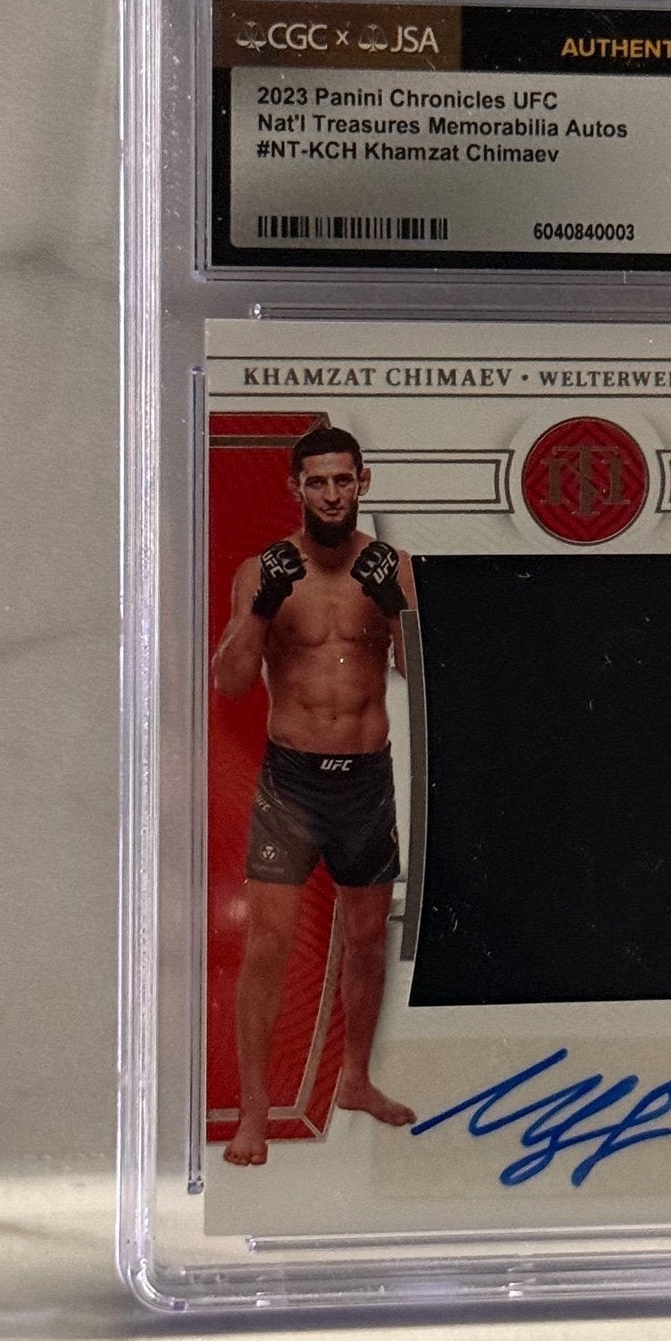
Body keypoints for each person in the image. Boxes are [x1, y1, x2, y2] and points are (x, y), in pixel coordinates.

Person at [212, 423, 417, 1166]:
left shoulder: (393, 567)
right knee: (269, 943)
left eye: (342, 480)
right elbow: (231, 682)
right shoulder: (262, 570)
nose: (331, 494)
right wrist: (262, 607)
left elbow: (421, 674)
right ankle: (254, 1112)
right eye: (317, 482)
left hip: (365, 781)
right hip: (292, 784)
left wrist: (397, 611)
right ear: (295, 488)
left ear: (363, 482)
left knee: (366, 938)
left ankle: (355, 1079)